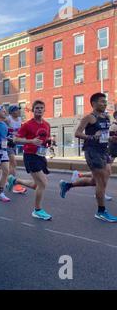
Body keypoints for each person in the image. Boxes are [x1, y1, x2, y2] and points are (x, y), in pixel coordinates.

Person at [59, 93, 117, 222]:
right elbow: (77, 133)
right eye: (102, 101)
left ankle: (68, 185)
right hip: (92, 151)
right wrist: (91, 137)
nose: (105, 104)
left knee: (96, 181)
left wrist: (111, 138)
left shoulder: (107, 117)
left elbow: (104, 135)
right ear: (94, 103)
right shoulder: (89, 118)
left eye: (105, 101)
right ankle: (101, 211)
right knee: (100, 182)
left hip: (104, 151)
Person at [6, 100, 52, 221]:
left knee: (37, 185)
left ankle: (15, 180)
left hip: (41, 156)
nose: (39, 110)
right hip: (30, 155)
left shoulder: (47, 124)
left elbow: (46, 138)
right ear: (33, 110)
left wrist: (48, 142)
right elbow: (15, 139)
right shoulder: (27, 124)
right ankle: (37, 210)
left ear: (44, 109)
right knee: (43, 183)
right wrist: (30, 141)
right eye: (37, 108)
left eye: (41, 108)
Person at [5, 105, 27, 194]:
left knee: (10, 165)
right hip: (7, 143)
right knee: (13, 163)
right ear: (11, 112)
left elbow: (19, 132)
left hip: (13, 143)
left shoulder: (19, 120)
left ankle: (8, 181)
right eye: (17, 110)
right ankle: (12, 183)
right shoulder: (8, 119)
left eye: (19, 110)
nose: (19, 111)